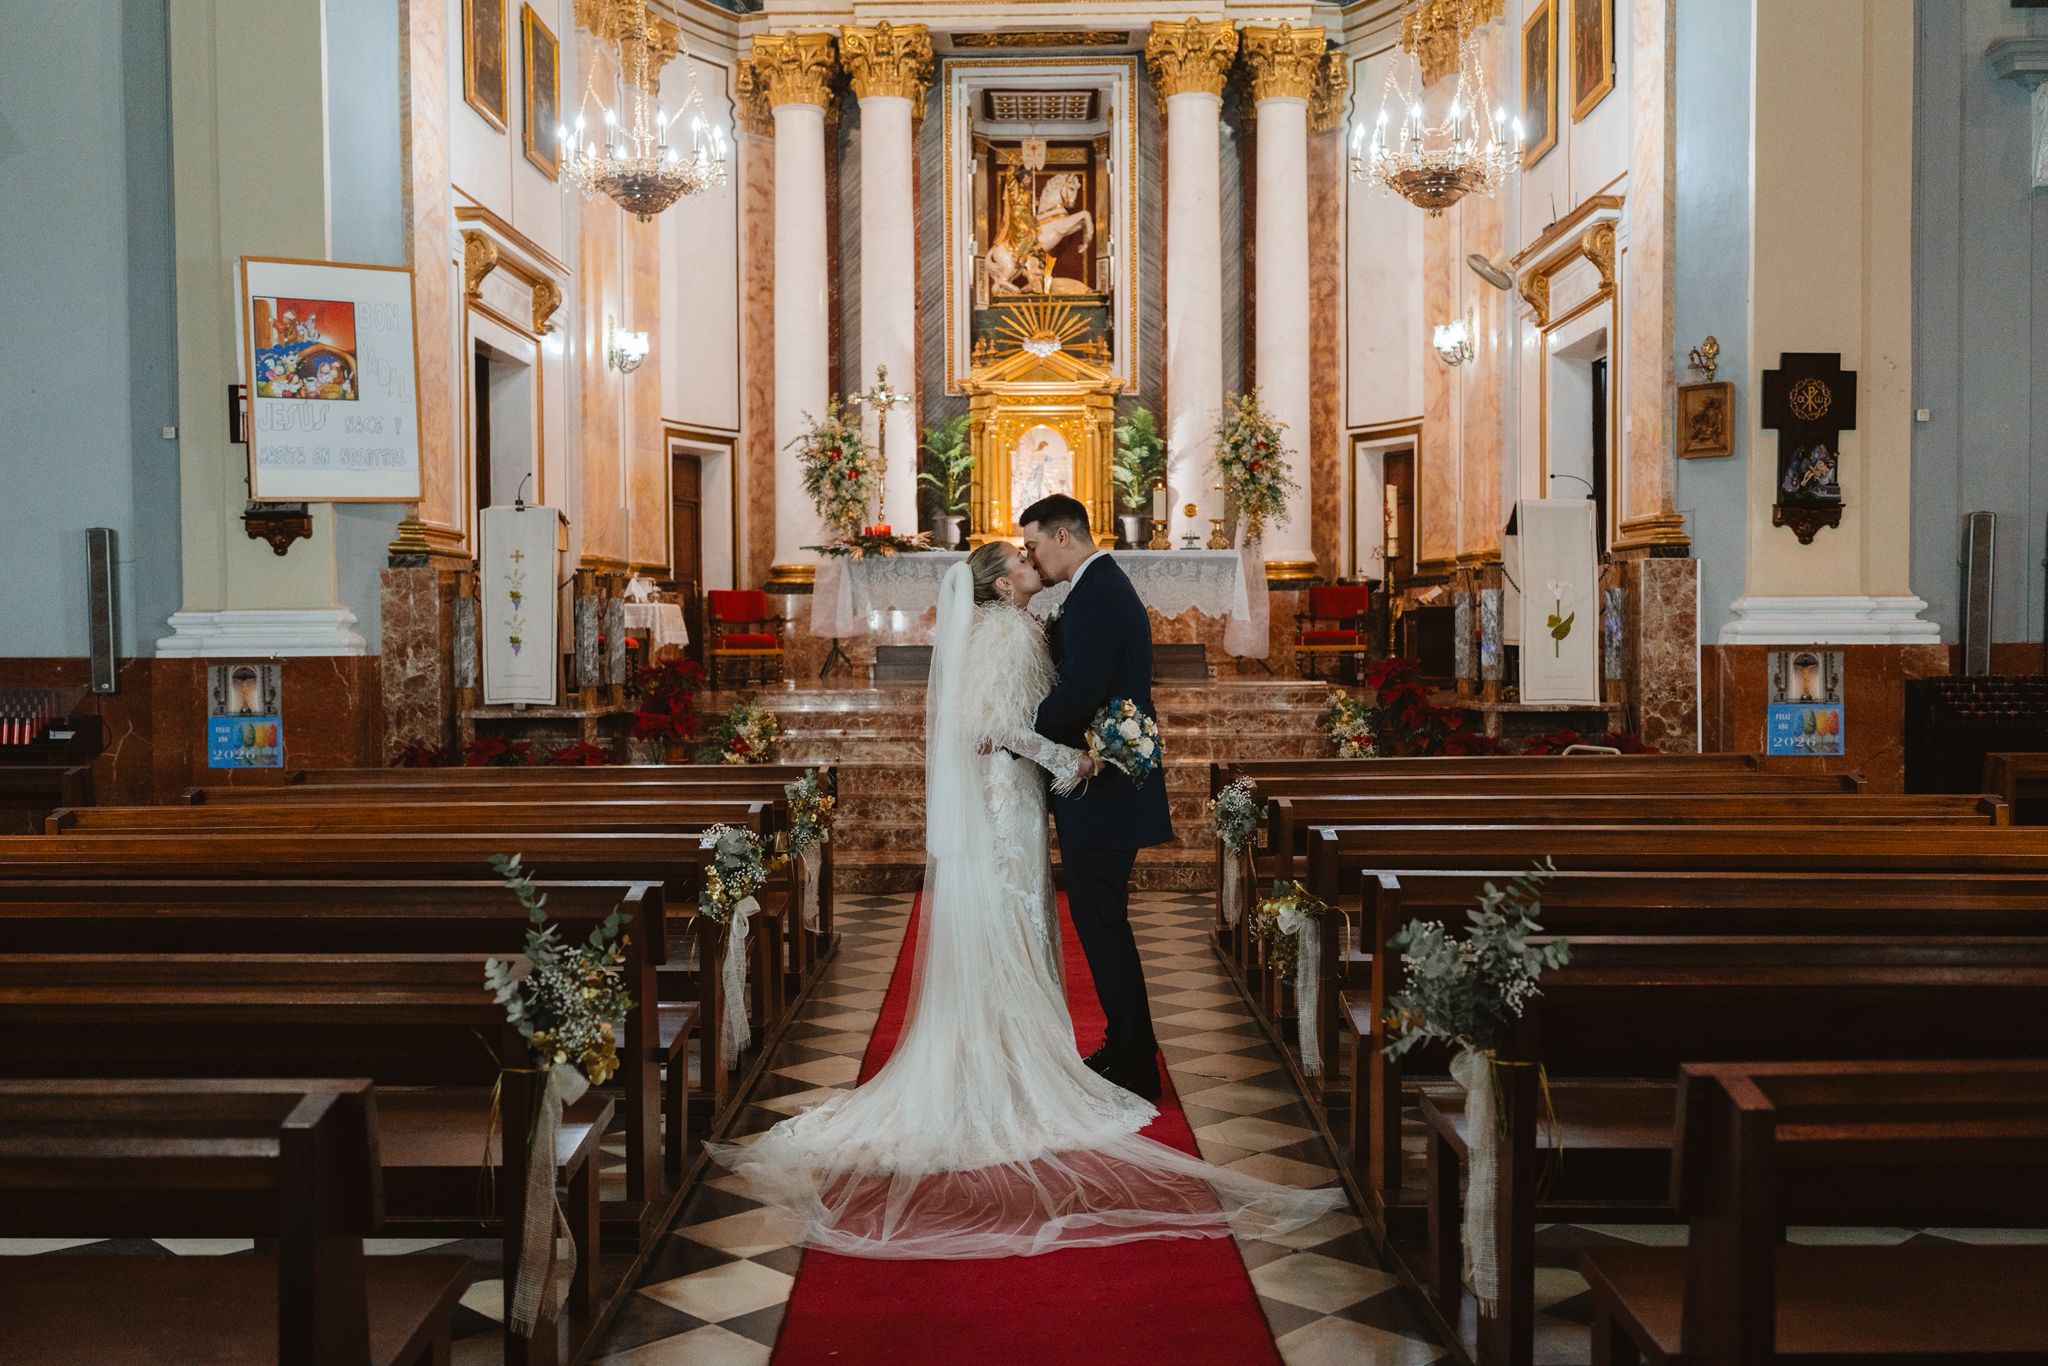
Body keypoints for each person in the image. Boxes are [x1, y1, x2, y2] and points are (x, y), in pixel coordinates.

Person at [706, 540, 1342, 1257]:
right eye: (1018, 557)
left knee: (1017, 917)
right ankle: (1012, 1064)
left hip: (1010, 794)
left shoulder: (1006, 626)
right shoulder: (1008, 633)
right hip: (1009, 801)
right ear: (1002, 583)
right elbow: (995, 727)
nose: (1030, 559)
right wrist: (1075, 761)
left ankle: (1008, 1052)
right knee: (1017, 914)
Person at [1017, 493, 1172, 1100]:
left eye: (1033, 544)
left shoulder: (1099, 593)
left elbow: (1081, 692)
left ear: (1063, 535)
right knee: (1102, 920)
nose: (1032, 556)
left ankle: (1136, 1061)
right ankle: (1127, 1045)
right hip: (1102, 786)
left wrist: (1016, 734)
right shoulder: (1096, 588)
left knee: (1102, 922)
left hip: (1104, 791)